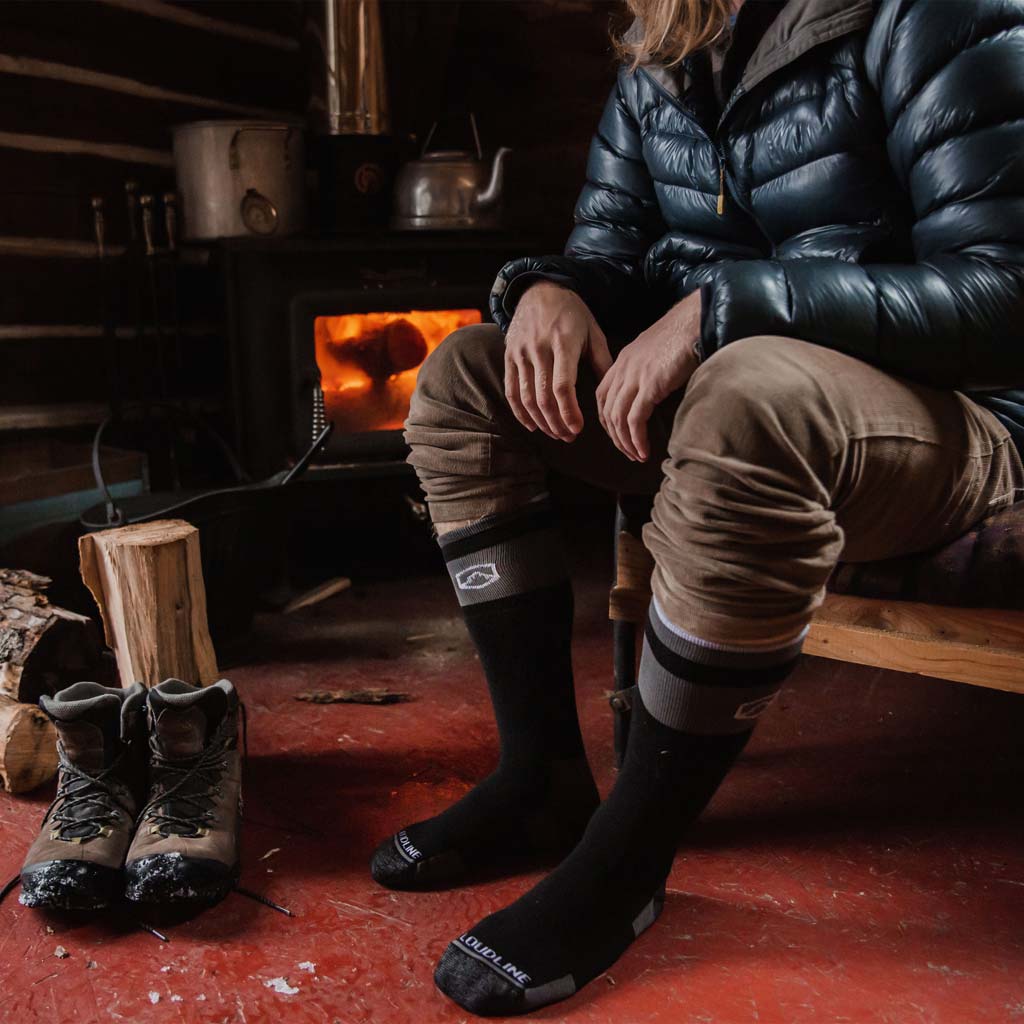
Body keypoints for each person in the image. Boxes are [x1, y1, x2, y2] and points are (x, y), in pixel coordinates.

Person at [373, 0, 1024, 1014]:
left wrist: (729, 306)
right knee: (464, 373)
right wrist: (549, 288)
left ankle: (625, 862)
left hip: (963, 421)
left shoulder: (935, 13)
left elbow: (1004, 300)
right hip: (739, 385)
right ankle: (541, 775)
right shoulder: (663, 47)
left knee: (745, 391)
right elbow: (612, 257)